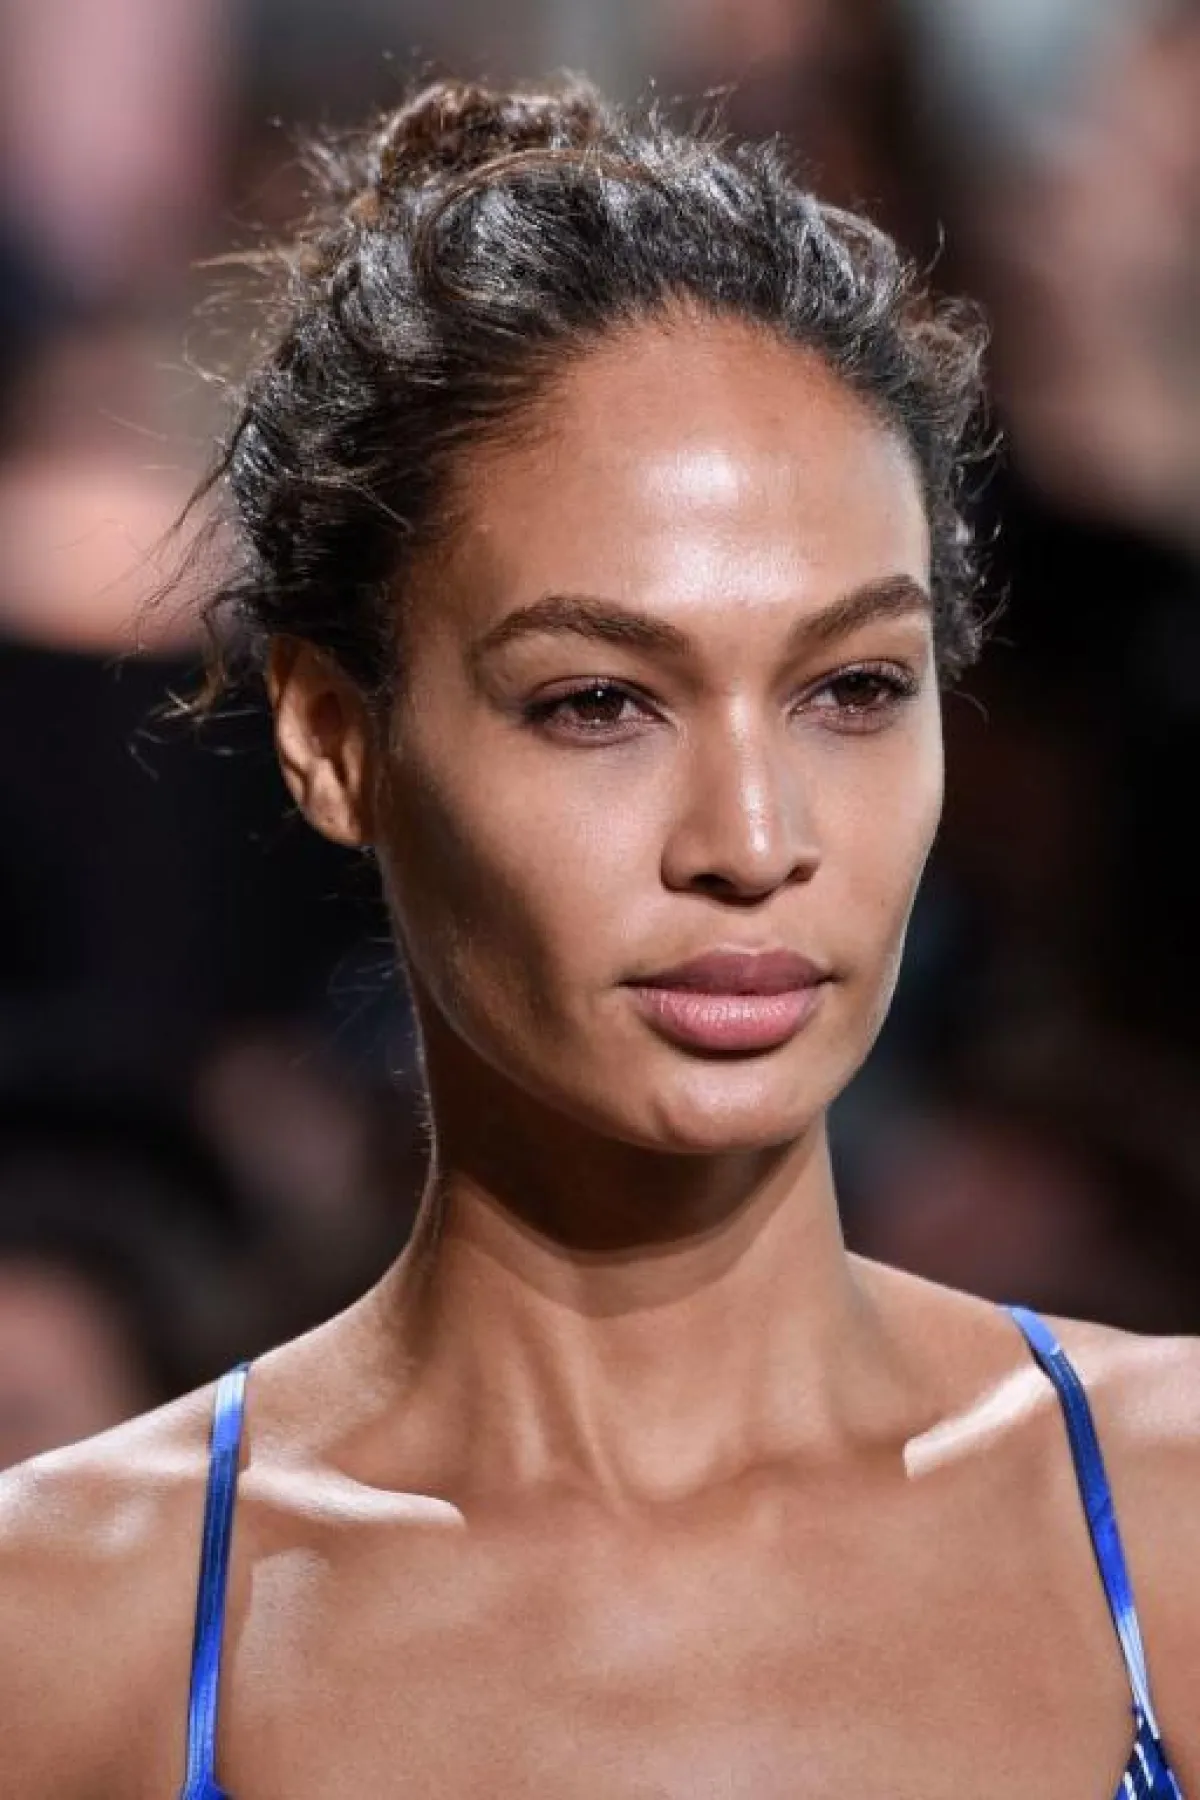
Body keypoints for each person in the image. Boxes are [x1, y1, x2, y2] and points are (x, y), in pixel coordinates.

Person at [1, 74, 1196, 1798]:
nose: (754, 844)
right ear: (334, 740)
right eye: (598, 703)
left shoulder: (1169, 1521)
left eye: (855, 689)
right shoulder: (67, 1634)